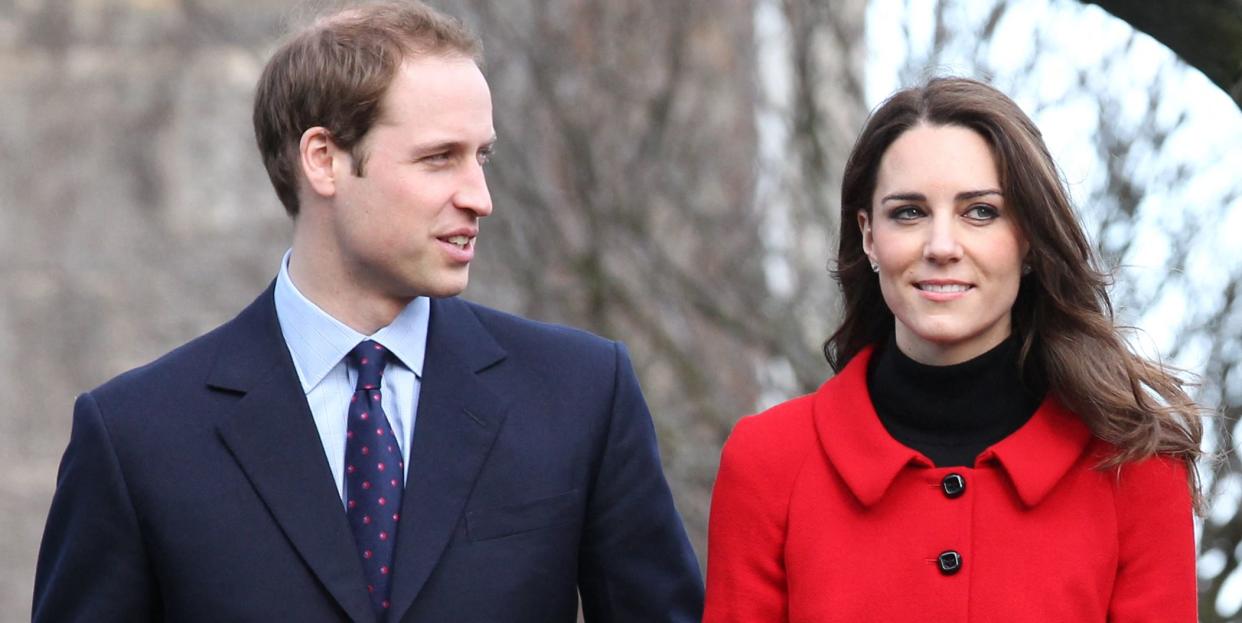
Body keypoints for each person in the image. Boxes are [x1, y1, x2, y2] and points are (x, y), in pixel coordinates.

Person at [33, 2, 703, 621]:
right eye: (440, 158)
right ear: (323, 159)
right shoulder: (136, 437)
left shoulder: (581, 392)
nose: (481, 197)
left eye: (483, 156)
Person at [703, 77, 1202, 622]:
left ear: (1029, 238)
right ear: (869, 235)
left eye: (980, 212)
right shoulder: (767, 462)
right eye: (909, 213)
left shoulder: (1138, 468)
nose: (942, 246)